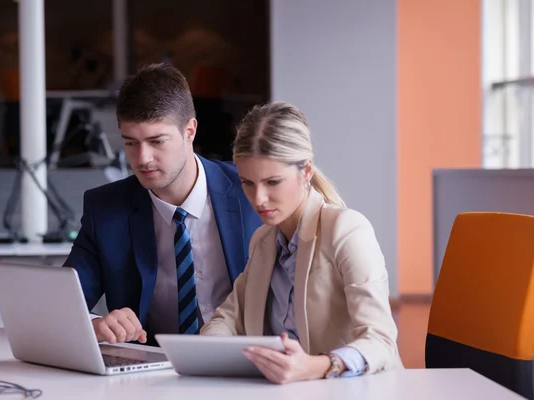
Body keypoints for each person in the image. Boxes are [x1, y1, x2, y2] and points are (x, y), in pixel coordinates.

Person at [201, 101, 403, 383]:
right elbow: (229, 317)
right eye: (248, 183)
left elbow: (381, 339)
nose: (258, 199)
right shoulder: (263, 242)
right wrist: (207, 350)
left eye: (272, 182)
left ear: (306, 171)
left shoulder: (347, 230)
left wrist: (317, 366)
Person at [64, 63, 262, 346]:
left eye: (157, 141)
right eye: (131, 143)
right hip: (153, 372)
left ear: (189, 131)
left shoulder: (250, 190)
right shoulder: (105, 209)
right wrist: (95, 323)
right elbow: (67, 303)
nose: (143, 158)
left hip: (244, 365)